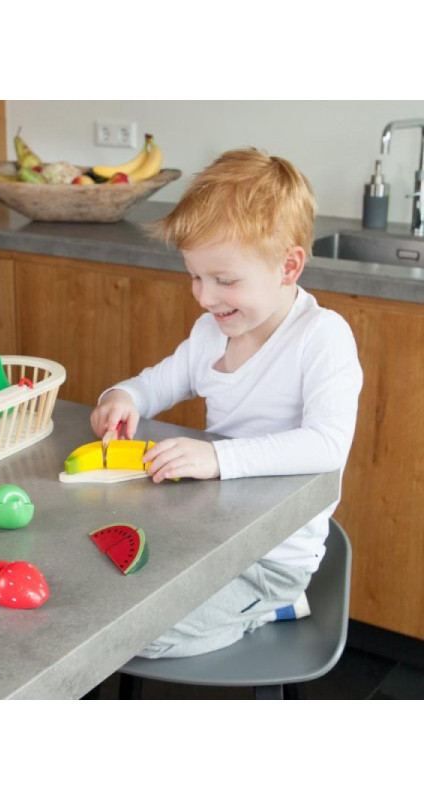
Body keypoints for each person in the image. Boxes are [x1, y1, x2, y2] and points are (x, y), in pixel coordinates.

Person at [90, 148, 363, 659]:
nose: (203, 296)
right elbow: (158, 383)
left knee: (138, 638)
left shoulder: (322, 337)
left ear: (288, 266)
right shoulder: (211, 330)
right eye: (195, 276)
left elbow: (326, 445)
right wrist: (123, 397)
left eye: (225, 280)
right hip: (208, 535)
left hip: (270, 560)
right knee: (101, 608)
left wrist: (217, 457)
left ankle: (273, 606)